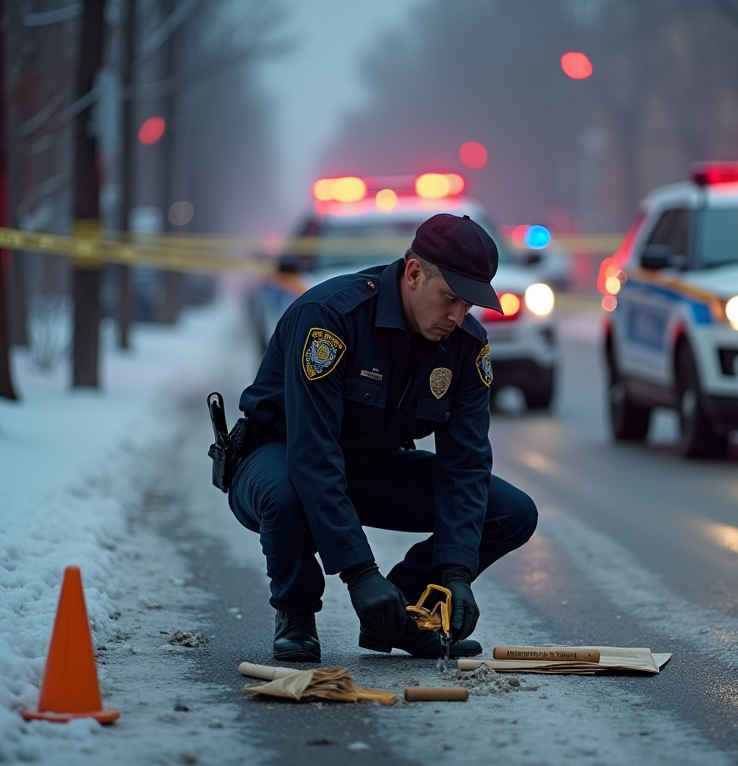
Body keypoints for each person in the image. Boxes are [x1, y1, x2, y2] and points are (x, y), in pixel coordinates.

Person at [227, 213, 538, 661]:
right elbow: (313, 454)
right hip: (281, 458)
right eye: (449, 298)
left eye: (468, 305)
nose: (457, 316)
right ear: (414, 273)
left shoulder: (467, 346)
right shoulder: (331, 316)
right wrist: (360, 573)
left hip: (369, 466)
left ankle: (402, 612)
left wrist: (455, 574)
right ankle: (295, 616)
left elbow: (465, 465)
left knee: (511, 511)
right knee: (286, 492)